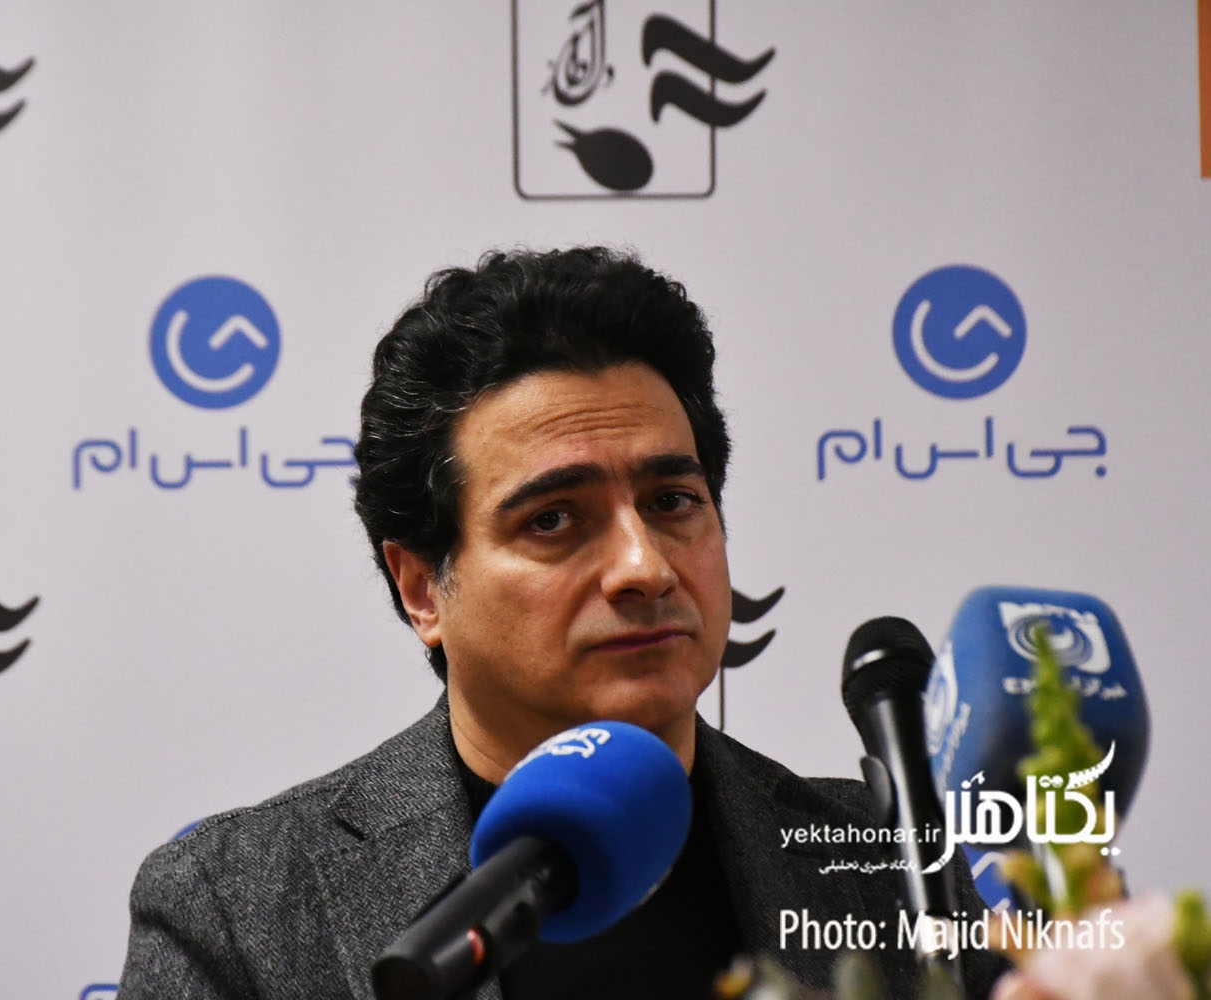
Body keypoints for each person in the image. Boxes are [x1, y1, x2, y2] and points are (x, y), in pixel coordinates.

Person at [118, 247, 1009, 999]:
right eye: (553, 520)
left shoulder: (890, 861)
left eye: (672, 501)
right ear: (422, 587)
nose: (644, 567)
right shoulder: (238, 907)